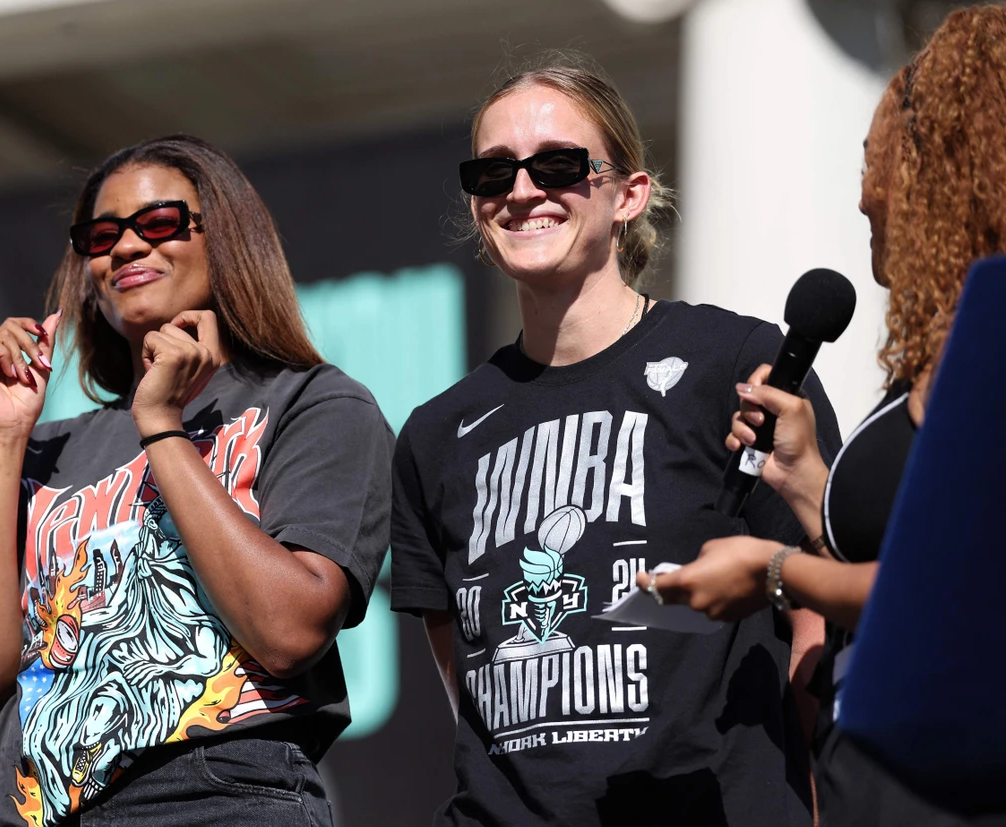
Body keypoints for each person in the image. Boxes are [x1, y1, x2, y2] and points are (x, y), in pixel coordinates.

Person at [389, 56, 843, 827]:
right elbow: (470, 692)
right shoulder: (434, 436)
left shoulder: (735, 364)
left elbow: (816, 621)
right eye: (494, 171)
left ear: (628, 194)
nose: (522, 190)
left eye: (557, 165)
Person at [0, 135, 394, 827]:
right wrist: (1, 435)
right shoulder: (43, 449)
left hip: (215, 802)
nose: (126, 247)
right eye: (102, 235)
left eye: (160, 222)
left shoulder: (314, 403)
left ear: (225, 240)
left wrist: (163, 426)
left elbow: (289, 631)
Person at [643, 5, 1006, 824]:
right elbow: (899, 550)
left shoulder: (993, 340)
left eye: (877, 158)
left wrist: (770, 570)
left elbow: (937, 587)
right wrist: (808, 483)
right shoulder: (941, 351)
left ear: (947, 167)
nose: (864, 196)